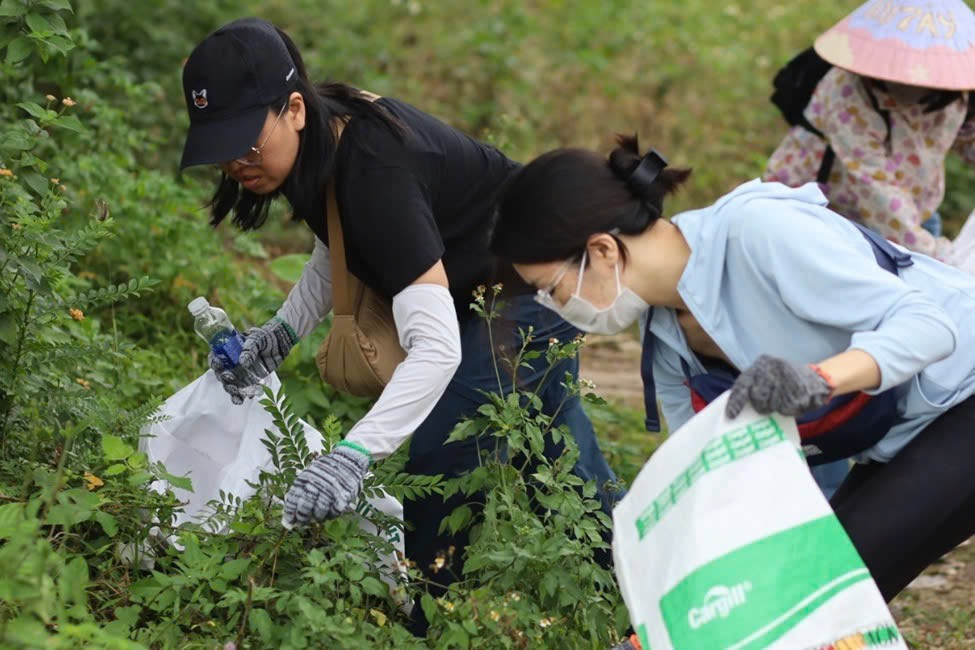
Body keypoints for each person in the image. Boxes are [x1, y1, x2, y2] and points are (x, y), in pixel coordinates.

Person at [178, 17, 619, 631]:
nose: (234, 163)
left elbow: (435, 351)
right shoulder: (319, 148)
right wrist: (279, 334)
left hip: (535, 282)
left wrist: (352, 455)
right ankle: (641, 577)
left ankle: (425, 622)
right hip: (481, 288)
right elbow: (338, 245)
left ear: (295, 109)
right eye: (218, 149)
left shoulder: (373, 170)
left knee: (441, 446)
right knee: (557, 451)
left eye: (245, 143)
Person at [488, 133, 975, 602]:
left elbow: (926, 325)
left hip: (962, 390)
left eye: (551, 289)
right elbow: (714, 476)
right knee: (808, 595)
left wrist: (821, 379)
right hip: (903, 433)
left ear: (602, 250)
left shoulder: (756, 230)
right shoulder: (665, 339)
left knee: (821, 587)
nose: (554, 307)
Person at [764, 0, 975, 264]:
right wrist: (934, 256)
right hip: (821, 212)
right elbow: (875, 186)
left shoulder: (955, 94)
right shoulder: (847, 92)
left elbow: (969, 139)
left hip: (911, 210)